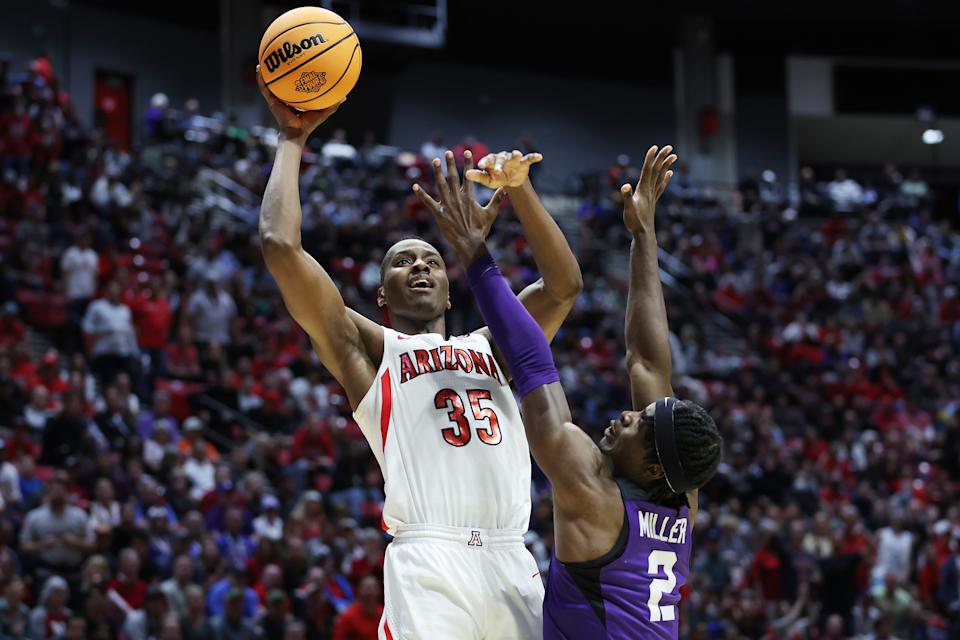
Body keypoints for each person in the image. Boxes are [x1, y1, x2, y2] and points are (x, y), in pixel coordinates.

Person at [257, 66, 582, 639]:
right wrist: (291, 141)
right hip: (429, 559)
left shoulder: (496, 345)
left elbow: (563, 286)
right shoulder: (370, 351)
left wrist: (520, 194)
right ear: (382, 294)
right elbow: (281, 247)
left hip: (513, 558)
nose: (420, 267)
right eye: (403, 262)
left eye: (432, 260)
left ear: (452, 284)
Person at [426, 144, 722, 638]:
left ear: (651, 466)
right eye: (640, 413)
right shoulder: (677, 490)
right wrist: (643, 234)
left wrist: (476, 255)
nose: (628, 415)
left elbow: (532, 363)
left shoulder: (593, 496)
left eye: (639, 424)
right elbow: (647, 361)